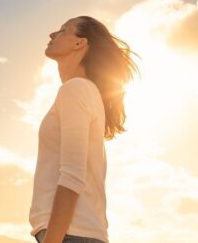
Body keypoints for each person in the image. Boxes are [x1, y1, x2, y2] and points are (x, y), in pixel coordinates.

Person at [29, 16, 141, 243]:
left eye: (62, 30)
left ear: (80, 43)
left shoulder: (76, 89)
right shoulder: (85, 92)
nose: (52, 35)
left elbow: (72, 175)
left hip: (71, 235)